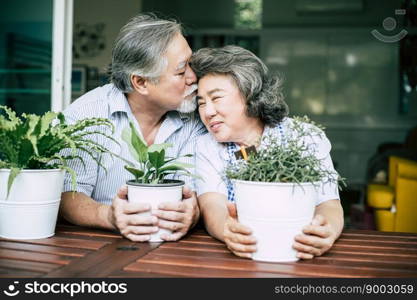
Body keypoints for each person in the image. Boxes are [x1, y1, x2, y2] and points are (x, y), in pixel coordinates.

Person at [60, 13, 206, 242]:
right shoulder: (85, 115)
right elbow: (68, 194)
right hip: (99, 250)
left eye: (191, 64)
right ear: (141, 82)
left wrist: (194, 211)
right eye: (180, 71)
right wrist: (108, 216)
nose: (193, 77)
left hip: (174, 249)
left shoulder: (197, 118)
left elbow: (197, 191)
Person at [191, 45, 344, 259]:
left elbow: (328, 203)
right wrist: (227, 230)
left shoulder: (306, 136)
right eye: (201, 103)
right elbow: (211, 204)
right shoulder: (207, 146)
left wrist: (326, 231)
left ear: (250, 94)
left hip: (295, 251)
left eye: (216, 98)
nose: (207, 112)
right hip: (244, 254)